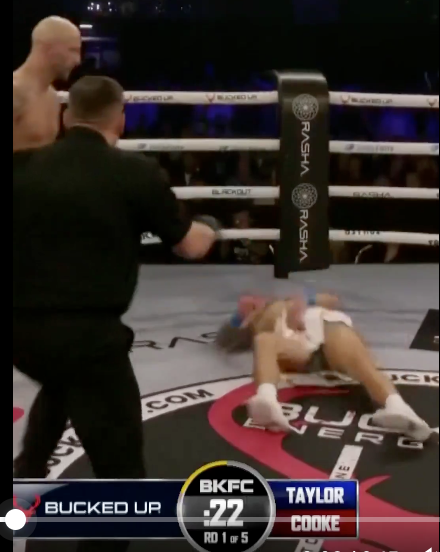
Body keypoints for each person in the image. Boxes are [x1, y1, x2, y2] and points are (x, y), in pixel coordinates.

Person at [13, 76, 219, 551]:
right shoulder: (134, 172)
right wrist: (211, 225)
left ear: (67, 116)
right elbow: (190, 246)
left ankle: (26, 475)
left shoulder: (23, 165)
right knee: (124, 478)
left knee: (61, 382)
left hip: (21, 337)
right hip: (88, 340)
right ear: (120, 120)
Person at [215, 292, 433, 441]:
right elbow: (227, 340)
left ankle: (397, 407)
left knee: (341, 339)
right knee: (264, 341)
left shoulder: (294, 303)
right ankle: (266, 400)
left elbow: (331, 299)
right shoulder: (256, 323)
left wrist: (303, 300)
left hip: (325, 328)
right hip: (300, 347)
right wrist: (240, 317)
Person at [13, 16, 82, 151]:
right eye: (72, 50)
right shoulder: (15, 91)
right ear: (49, 48)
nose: (77, 60)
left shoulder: (52, 97)